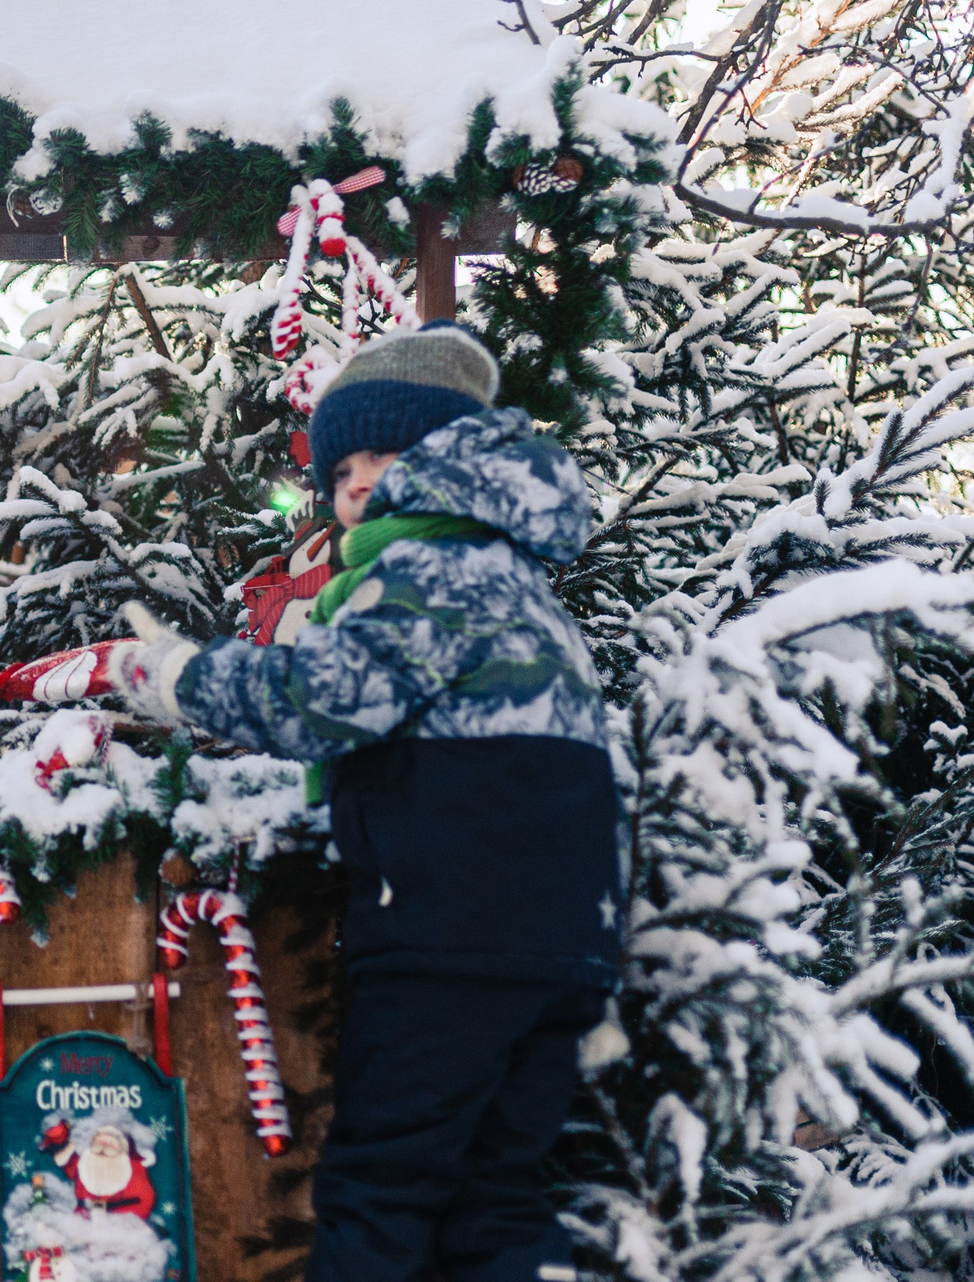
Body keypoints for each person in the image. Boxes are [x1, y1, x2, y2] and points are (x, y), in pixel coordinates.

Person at [101, 320, 619, 1282]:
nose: (355, 487)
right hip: (562, 948)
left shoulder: (422, 570)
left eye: (382, 457)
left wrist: (177, 676)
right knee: (494, 1193)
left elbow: (320, 702)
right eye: (341, 470)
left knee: (382, 1186)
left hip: (450, 941)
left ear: (445, 459)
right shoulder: (519, 583)